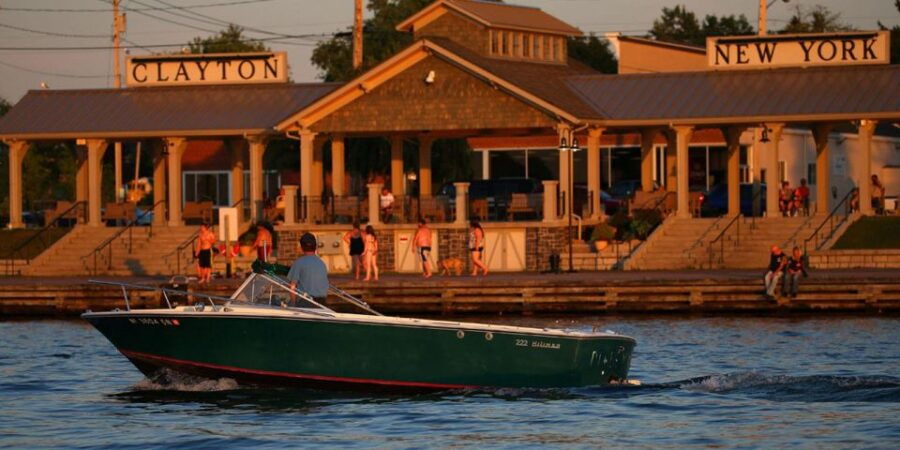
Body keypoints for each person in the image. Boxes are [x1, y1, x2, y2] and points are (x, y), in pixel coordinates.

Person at [287, 233, 329, 303]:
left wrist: (293, 303)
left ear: (301, 247)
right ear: (315, 247)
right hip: (322, 302)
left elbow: (292, 287)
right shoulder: (322, 263)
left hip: (306, 301)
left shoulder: (299, 263)